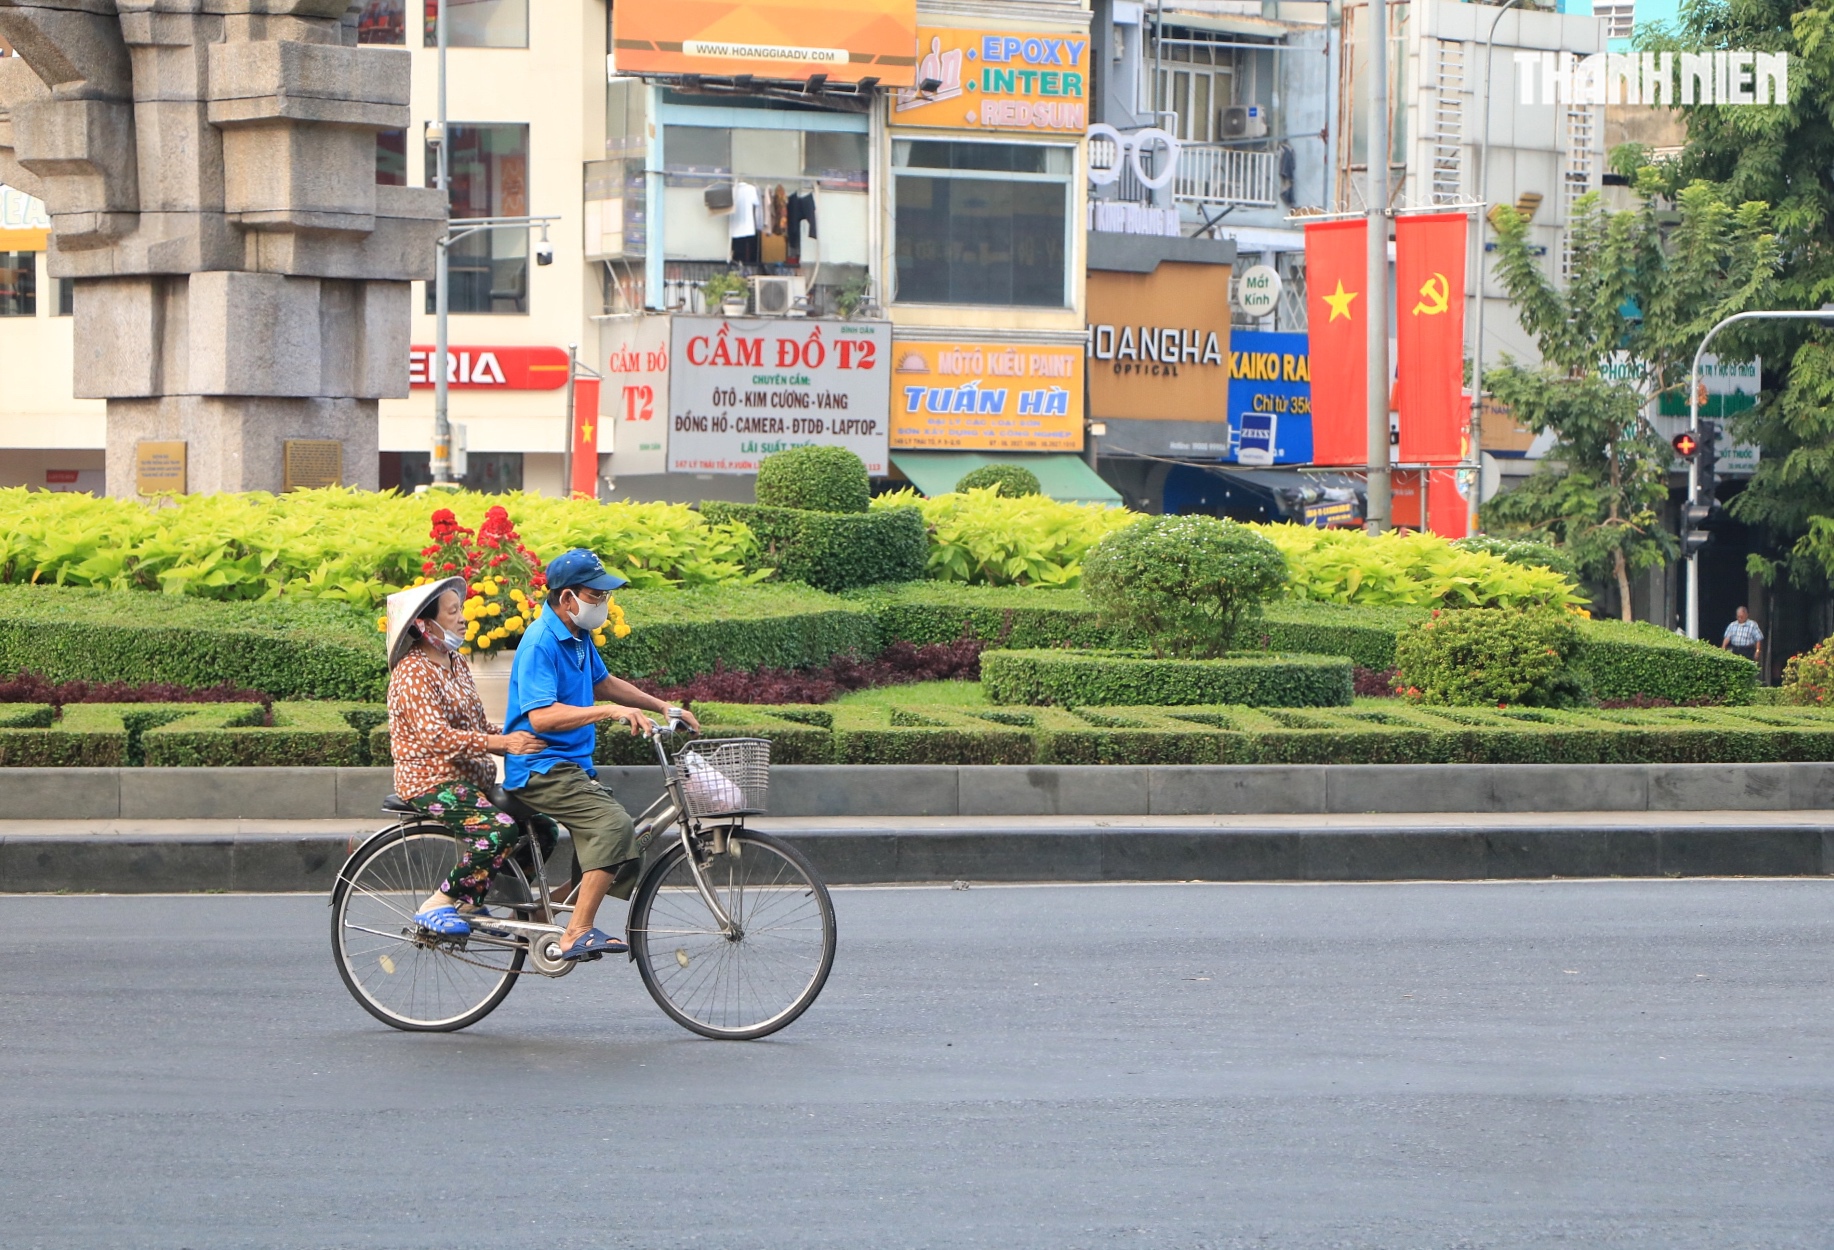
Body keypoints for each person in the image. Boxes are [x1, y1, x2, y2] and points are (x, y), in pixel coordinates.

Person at [504, 549, 699, 962]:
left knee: (628, 845)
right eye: (595, 596)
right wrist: (611, 712)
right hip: (541, 767)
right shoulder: (542, 641)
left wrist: (661, 706)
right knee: (612, 827)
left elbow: (604, 682)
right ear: (566, 598)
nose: (603, 604)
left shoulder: (577, 635)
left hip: (572, 766)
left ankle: (545, 912)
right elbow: (541, 717)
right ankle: (576, 932)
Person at [383, 576, 546, 937]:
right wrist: (502, 745)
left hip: (472, 779)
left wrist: (515, 735)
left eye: (461, 610)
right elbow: (438, 737)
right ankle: (440, 902)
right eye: (453, 612)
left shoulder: (455, 662)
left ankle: (475, 895)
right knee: (499, 830)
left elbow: (476, 723)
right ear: (424, 625)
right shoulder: (412, 673)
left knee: (543, 827)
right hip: (430, 781)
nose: (462, 619)